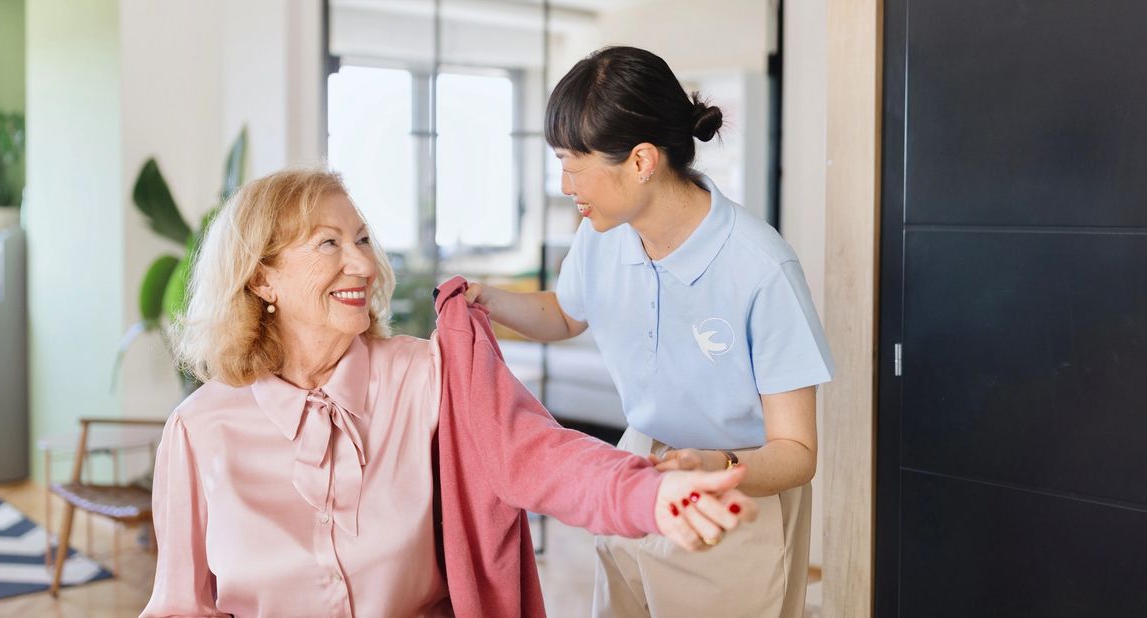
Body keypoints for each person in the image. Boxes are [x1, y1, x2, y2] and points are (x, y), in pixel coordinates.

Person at [139, 167, 759, 618]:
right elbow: (179, 605)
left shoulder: (426, 375)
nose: (362, 264)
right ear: (262, 278)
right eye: (328, 243)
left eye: (361, 239)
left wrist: (650, 493)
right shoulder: (199, 429)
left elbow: (540, 454)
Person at [463, 46, 835, 617]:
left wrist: (714, 467)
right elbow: (566, 314)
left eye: (574, 162)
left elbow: (796, 452)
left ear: (640, 161)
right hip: (637, 467)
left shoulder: (761, 268)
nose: (565, 184)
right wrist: (485, 300)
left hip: (728, 489)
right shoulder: (604, 233)